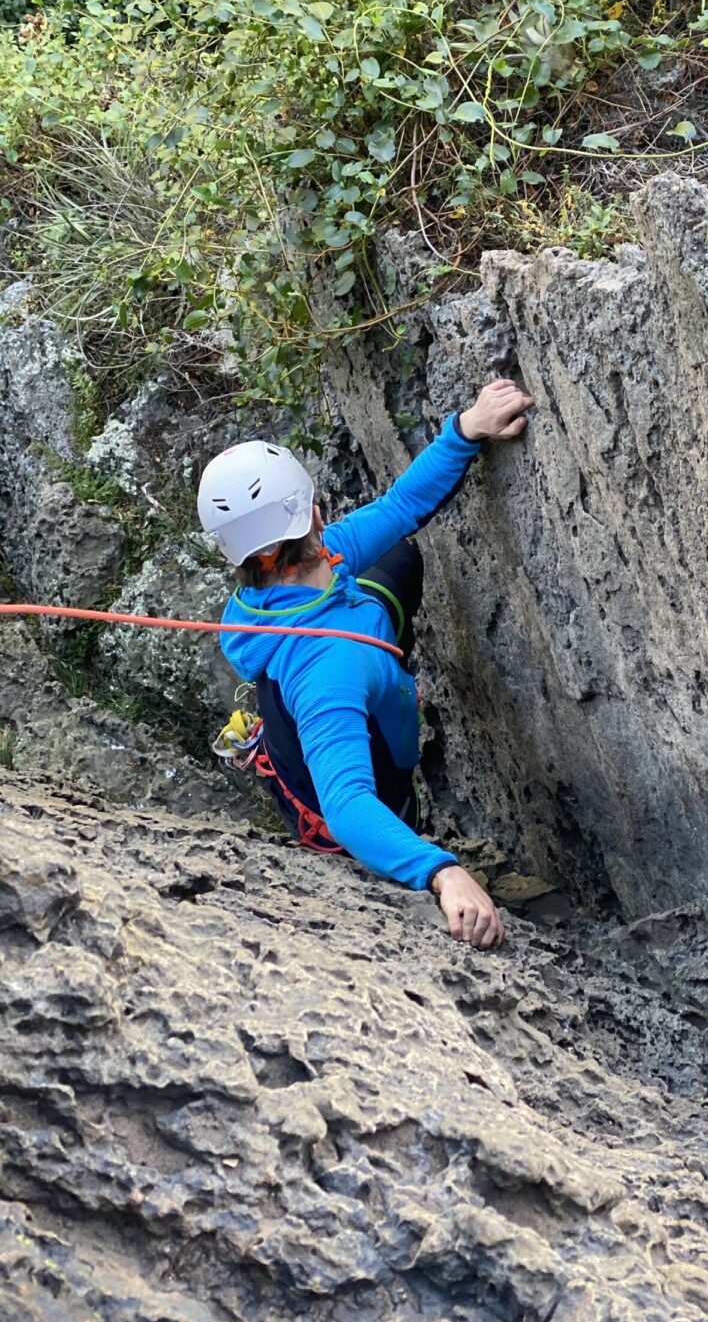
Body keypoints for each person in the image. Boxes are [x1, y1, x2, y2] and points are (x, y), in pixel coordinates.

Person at [196, 379, 533, 950]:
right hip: (367, 782)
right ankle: (408, 829)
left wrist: (466, 428)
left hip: (318, 716)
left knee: (396, 553)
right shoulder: (331, 668)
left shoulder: (264, 602)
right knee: (383, 802)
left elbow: (399, 508)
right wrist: (444, 873)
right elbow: (349, 806)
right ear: (317, 515)